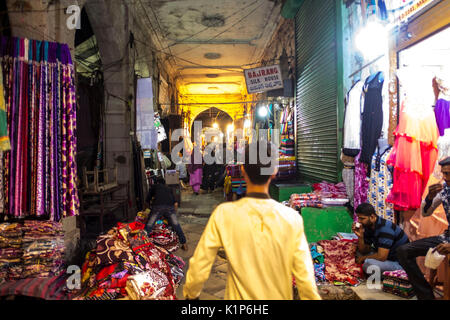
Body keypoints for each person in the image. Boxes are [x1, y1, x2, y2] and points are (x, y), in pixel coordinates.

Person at [183, 142, 321, 300]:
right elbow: (305, 278)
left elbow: (201, 262)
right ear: (274, 171)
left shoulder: (224, 214)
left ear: (242, 170)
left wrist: (191, 293)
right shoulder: (291, 219)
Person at [397, 157, 450, 300]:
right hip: (446, 237)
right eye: (444, 174)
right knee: (403, 251)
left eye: (449, 174)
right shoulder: (445, 191)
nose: (446, 178)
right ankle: (426, 296)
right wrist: (430, 197)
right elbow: (426, 213)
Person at [352, 203, 409, 274]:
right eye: (358, 218)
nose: (359, 221)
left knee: (369, 264)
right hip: (385, 256)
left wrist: (363, 258)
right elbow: (364, 251)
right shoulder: (368, 225)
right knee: (355, 251)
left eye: (362, 218)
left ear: (372, 217)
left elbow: (382, 257)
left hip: (398, 263)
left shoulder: (385, 229)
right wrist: (360, 237)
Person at [145, 177, 188, 251]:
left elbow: (148, 199)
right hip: (169, 207)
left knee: (149, 225)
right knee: (176, 225)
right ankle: (184, 243)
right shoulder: (168, 188)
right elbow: (175, 203)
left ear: (157, 182)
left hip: (158, 207)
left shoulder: (154, 187)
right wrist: (173, 212)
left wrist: (148, 209)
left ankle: (143, 243)